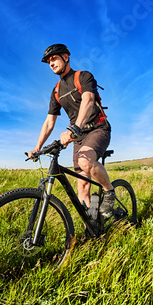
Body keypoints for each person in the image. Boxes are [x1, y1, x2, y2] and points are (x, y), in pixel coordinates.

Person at [28, 43, 115, 217]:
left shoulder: (83, 76)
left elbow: (88, 100)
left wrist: (75, 128)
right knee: (82, 187)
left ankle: (109, 191)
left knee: (84, 161)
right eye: (48, 62)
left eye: (54, 58)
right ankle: (91, 227)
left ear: (66, 57)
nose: (51, 63)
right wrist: (37, 147)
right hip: (79, 136)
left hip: (98, 129)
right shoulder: (56, 91)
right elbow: (49, 121)